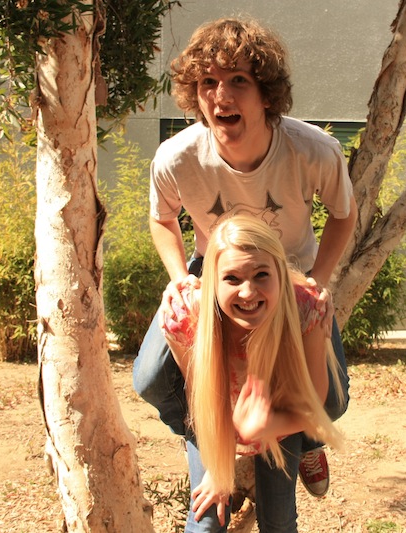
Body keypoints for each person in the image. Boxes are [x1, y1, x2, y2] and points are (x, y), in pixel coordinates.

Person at [133, 16, 357, 498]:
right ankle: (218, 441)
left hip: (288, 272)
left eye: (238, 80)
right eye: (208, 82)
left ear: (267, 94)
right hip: (214, 272)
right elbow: (161, 218)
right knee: (150, 377)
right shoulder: (176, 157)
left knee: (333, 402)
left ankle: (303, 439)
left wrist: (316, 279)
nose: (220, 94)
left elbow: (343, 214)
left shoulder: (314, 150)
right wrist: (179, 279)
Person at [162, 215, 344, 532]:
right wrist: (220, 468)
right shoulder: (187, 315)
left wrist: (271, 424)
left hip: (284, 415)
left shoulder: (304, 309)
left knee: (279, 522)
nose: (248, 292)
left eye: (261, 275)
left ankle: (307, 451)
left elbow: (314, 405)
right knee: (206, 521)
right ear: (212, 283)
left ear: (280, 276)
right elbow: (201, 397)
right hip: (217, 421)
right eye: (231, 279)